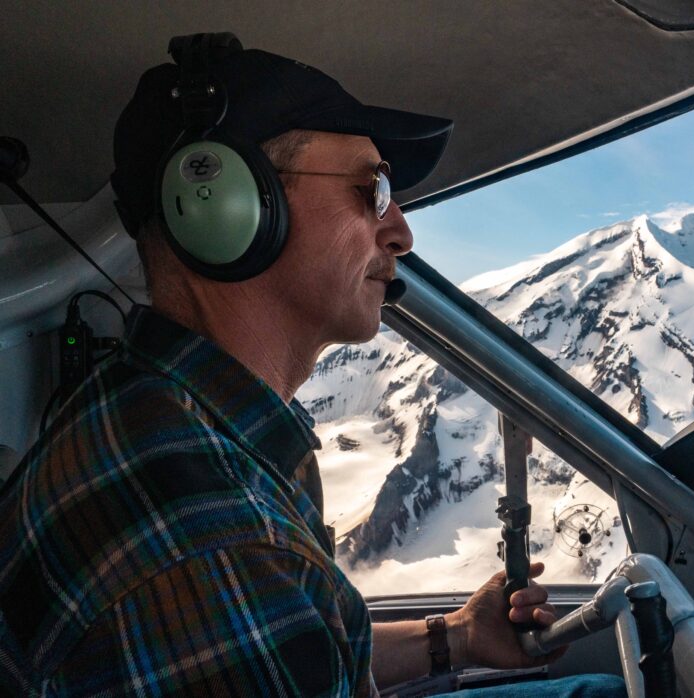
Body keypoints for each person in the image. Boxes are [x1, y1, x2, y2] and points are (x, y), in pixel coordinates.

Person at [0, 34, 627, 697]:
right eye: (374, 188)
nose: (403, 233)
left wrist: (459, 637)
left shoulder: (152, 410)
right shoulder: (216, 544)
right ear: (224, 208)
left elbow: (295, 642)